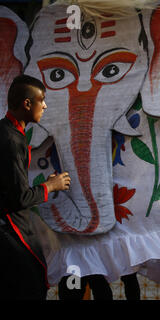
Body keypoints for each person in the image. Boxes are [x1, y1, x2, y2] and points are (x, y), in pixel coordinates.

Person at [0, 75, 71, 300]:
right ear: (27, 104)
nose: (45, 106)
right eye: (42, 100)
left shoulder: (9, 132)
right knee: (30, 286)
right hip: (10, 230)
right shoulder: (11, 141)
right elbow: (19, 198)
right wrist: (51, 185)